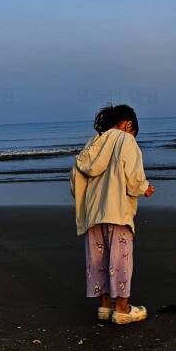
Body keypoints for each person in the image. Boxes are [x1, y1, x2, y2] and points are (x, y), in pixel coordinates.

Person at [70, 104, 155, 325]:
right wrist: (144, 187)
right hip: (116, 211)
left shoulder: (93, 143)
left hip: (93, 214)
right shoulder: (126, 140)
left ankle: (105, 305)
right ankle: (122, 308)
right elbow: (133, 176)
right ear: (128, 125)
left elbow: (75, 180)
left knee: (98, 260)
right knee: (120, 260)